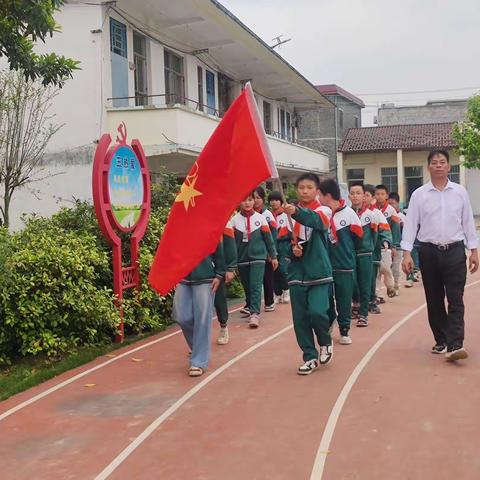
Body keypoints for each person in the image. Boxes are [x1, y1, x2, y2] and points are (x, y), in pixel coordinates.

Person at [402, 149, 479, 361]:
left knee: (456, 298)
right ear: (428, 167)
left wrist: (474, 250)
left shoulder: (460, 192)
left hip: (454, 251)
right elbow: (410, 225)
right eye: (434, 162)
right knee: (434, 298)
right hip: (428, 252)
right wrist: (406, 253)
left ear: (448, 166)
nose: (438, 165)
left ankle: (456, 344)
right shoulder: (419, 195)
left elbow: (468, 222)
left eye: (442, 162)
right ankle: (441, 339)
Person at [283, 173, 334, 375]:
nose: (305, 191)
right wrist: (290, 250)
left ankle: (325, 341)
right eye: (301, 187)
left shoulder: (323, 210)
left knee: (317, 312)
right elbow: (281, 244)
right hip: (296, 273)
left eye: (309, 187)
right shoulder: (286, 216)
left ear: (317, 191)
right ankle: (309, 356)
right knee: (300, 319)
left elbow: (317, 222)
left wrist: (296, 211)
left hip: (318, 271)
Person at [319, 178, 363, 344]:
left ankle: (344, 330)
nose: (318, 199)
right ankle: (329, 323)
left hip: (344, 265)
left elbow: (358, 237)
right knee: (326, 299)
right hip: (324, 265)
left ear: (328, 196)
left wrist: (347, 252)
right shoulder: (321, 214)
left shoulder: (349, 214)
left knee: (344, 299)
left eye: (320, 195)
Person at [173, 243, 226, 377]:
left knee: (203, 320)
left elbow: (218, 248)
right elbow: (171, 250)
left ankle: (198, 361)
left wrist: (219, 274)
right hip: (182, 276)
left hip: (205, 277)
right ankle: (198, 348)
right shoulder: (178, 227)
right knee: (181, 316)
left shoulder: (207, 225)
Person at [232, 193, 278, 328]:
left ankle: (254, 314)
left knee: (256, 286)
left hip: (259, 258)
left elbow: (269, 240)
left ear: (254, 201)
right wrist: (230, 263)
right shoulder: (234, 221)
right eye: (244, 200)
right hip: (242, 259)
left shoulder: (261, 219)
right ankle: (251, 306)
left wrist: (273, 256)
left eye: (250, 200)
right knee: (247, 286)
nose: (247, 203)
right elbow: (231, 244)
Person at [349, 182, 378, 327]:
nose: (355, 196)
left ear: (363, 196)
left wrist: (370, 248)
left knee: (365, 283)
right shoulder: (347, 214)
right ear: (349, 196)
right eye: (352, 193)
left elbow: (374, 235)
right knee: (352, 282)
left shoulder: (370, 215)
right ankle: (356, 304)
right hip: (351, 254)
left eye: (358, 193)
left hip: (365, 253)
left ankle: (363, 314)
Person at [365, 184, 392, 314]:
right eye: (359, 194)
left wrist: (386, 241)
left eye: (366, 195)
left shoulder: (376, 214)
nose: (362, 198)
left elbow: (385, 229)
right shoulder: (351, 212)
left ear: (372, 198)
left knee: (371, 278)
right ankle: (357, 303)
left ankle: (372, 301)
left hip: (372, 253)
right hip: (355, 255)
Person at [253, 186, 278, 312]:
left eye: (258, 198)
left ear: (263, 199)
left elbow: (274, 233)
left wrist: (271, 252)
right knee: (254, 281)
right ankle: (250, 304)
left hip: (266, 253)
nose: (256, 201)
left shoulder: (267, 214)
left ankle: (269, 302)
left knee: (267, 278)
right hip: (254, 253)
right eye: (254, 198)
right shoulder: (249, 214)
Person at [375, 185, 401, 299]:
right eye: (377, 194)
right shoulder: (373, 210)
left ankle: (391, 286)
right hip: (375, 245)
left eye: (382, 194)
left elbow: (395, 229)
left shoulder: (391, 211)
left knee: (386, 267)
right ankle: (378, 294)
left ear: (386, 196)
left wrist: (394, 245)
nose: (379, 196)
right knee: (376, 271)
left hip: (387, 246)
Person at [214, 220, 238, 345]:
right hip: (199, 268)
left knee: (219, 300)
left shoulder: (223, 219)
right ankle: (196, 340)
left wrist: (230, 268)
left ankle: (223, 326)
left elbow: (230, 245)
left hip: (218, 268)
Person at [268, 191, 291, 304]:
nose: (274, 202)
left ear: (281, 202)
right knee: (274, 271)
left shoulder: (286, 215)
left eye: (276, 200)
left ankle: (286, 290)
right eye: (272, 200)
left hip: (284, 247)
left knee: (282, 270)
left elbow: (290, 232)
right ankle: (277, 293)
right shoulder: (268, 215)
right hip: (272, 248)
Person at [388, 192, 406, 295]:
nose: (391, 206)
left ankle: (396, 285)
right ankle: (389, 286)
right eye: (389, 203)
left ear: (398, 204)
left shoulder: (401, 216)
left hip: (398, 246)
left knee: (395, 267)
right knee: (388, 267)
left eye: (393, 203)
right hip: (388, 246)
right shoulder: (385, 215)